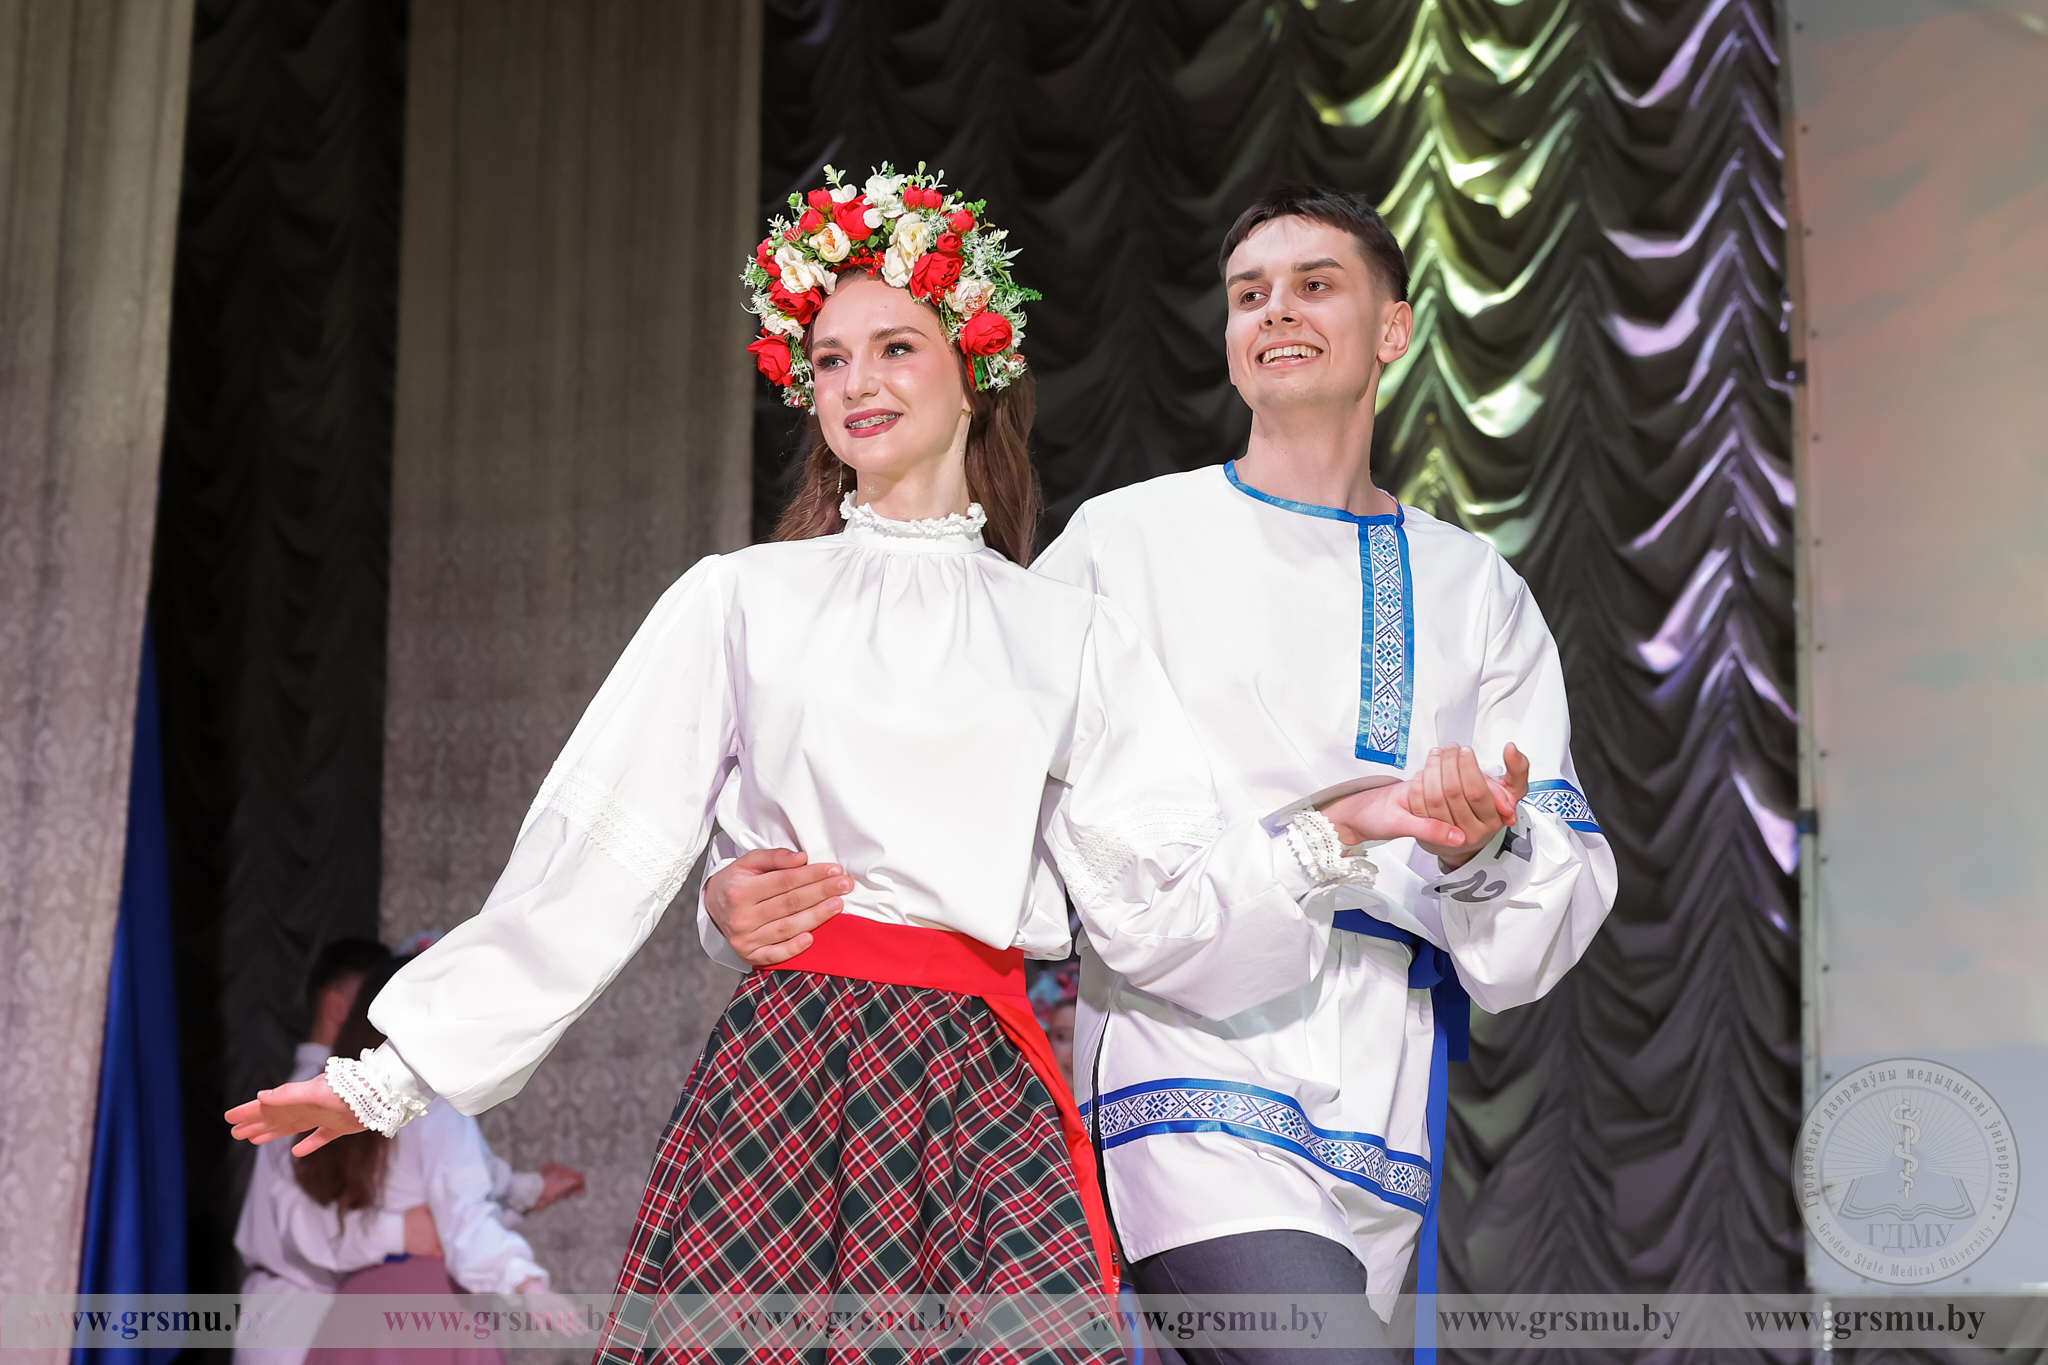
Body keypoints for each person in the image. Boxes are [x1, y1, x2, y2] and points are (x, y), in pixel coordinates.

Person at [226, 166, 1475, 1364]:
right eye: (828, 359)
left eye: (894, 347)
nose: (857, 382)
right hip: (788, 1080)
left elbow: (1157, 907)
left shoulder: (1066, 632)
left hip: (977, 1095)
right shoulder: (741, 600)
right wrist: (390, 1079)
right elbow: (592, 855)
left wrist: (1331, 833)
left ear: (973, 368)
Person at [704, 184, 1618, 1365]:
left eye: (1314, 285)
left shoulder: (1474, 588)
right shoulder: (1125, 542)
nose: (1274, 311)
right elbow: (945, 750)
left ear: (1391, 328)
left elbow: (1549, 867)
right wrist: (738, 894)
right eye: (1248, 294)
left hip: (1380, 1083)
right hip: (1182, 1062)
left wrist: (1480, 842)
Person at [233, 942, 582, 1365]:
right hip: (419, 1308)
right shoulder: (424, 1105)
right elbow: (462, 1214)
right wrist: (527, 1283)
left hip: (356, 1308)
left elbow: (442, 1208)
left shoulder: (345, 1105)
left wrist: (528, 1192)